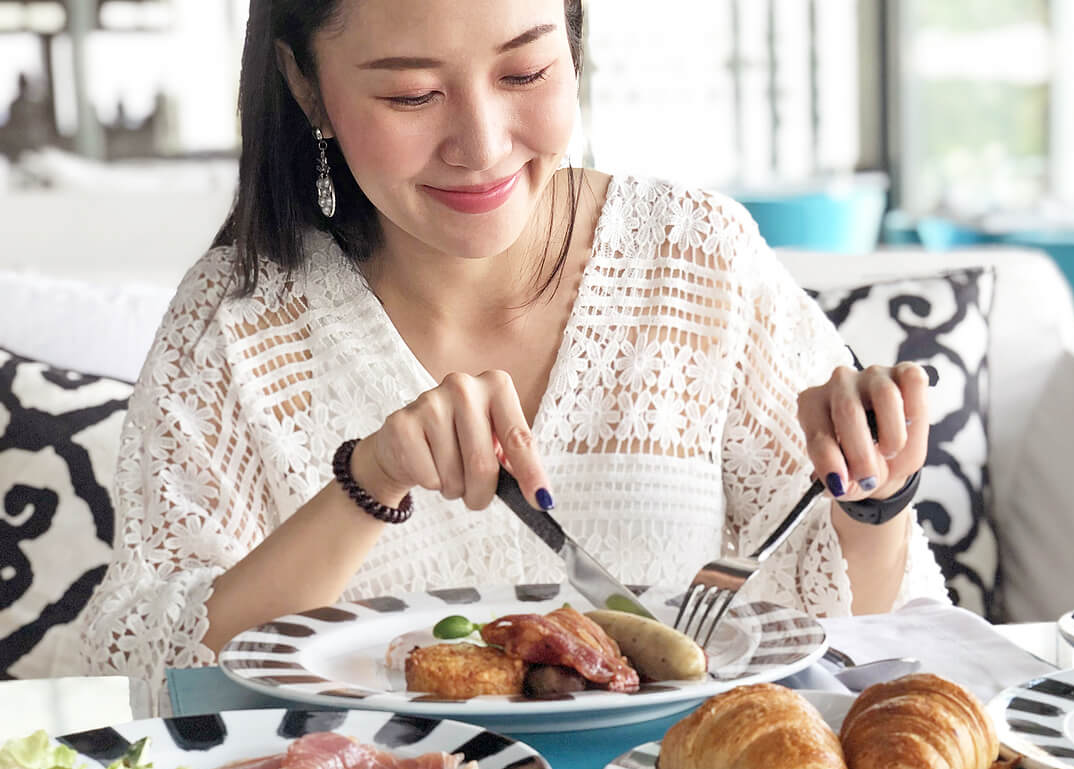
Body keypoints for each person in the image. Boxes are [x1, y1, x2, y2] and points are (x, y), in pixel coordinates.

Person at [81, 0, 947, 702]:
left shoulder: (697, 255)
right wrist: (368, 480)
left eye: (526, 71)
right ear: (305, 86)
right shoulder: (237, 322)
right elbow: (150, 677)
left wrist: (874, 500)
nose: (484, 145)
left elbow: (867, 635)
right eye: (413, 95)